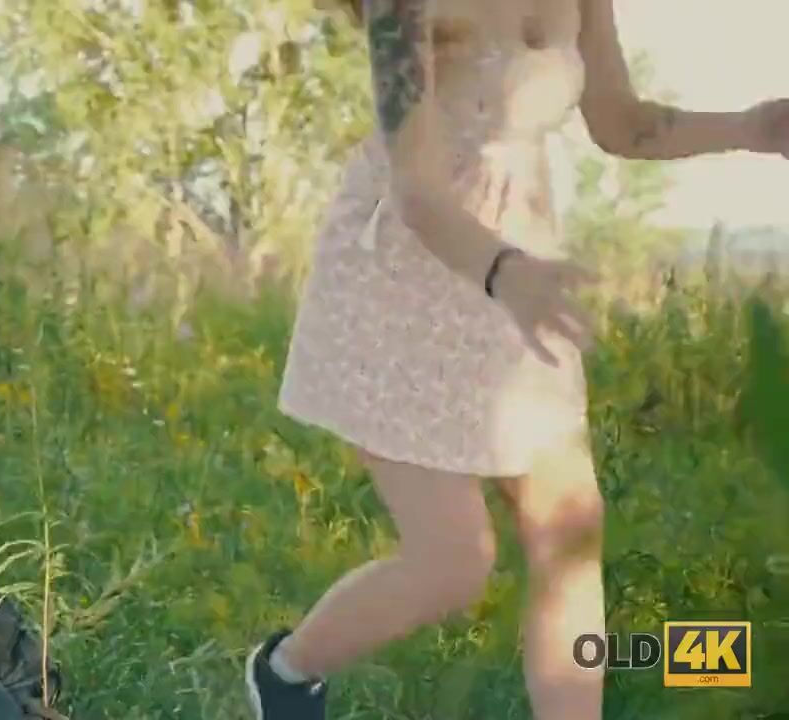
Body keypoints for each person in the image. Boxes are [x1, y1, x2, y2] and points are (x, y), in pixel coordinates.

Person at [244, 0, 789, 718]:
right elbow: (416, 191)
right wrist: (505, 274)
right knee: (453, 565)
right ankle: (286, 673)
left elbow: (621, 123)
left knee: (568, 531)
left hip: (522, 269)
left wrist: (751, 128)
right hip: (408, 278)